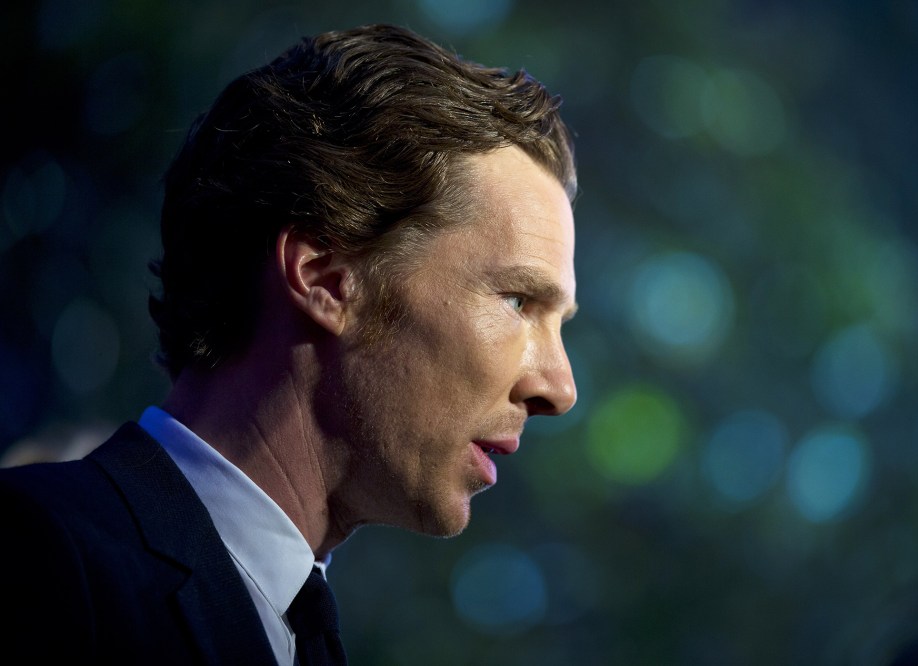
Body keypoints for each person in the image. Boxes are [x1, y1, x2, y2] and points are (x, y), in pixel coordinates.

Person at [0, 23, 578, 666]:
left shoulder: (301, 633)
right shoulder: (35, 556)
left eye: (561, 321)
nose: (558, 386)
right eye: (519, 301)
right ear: (323, 280)